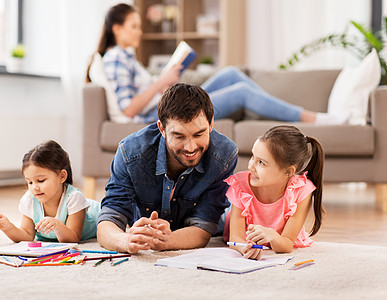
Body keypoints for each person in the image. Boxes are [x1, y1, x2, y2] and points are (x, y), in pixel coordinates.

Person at [86, 3, 349, 125]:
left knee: (231, 73)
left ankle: (283, 111)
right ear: (117, 29)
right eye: (134, 26)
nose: (139, 32)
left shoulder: (128, 57)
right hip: (159, 117)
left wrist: (166, 84)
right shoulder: (116, 58)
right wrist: (161, 83)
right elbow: (129, 110)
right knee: (241, 93)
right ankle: (316, 119)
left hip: (165, 104)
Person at [96, 83, 238, 253]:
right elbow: (108, 220)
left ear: (211, 124)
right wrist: (126, 240)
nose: (190, 147)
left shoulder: (224, 156)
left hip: (215, 221)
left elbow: (203, 228)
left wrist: (166, 241)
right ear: (162, 128)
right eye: (179, 136)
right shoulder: (130, 152)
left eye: (199, 134)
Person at [222, 125, 324, 260]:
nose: (250, 166)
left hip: (275, 237)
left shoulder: (301, 190)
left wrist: (272, 235)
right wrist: (244, 247)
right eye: (253, 156)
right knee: (215, 221)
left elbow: (286, 244)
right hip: (228, 216)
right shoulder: (240, 185)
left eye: (261, 163)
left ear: (288, 172)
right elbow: (235, 237)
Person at [0, 140, 100, 243]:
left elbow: (73, 238)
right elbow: (27, 236)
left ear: (62, 176)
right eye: (30, 182)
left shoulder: (74, 198)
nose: (34, 188)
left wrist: (57, 225)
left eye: (40, 180)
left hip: (97, 214)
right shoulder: (30, 199)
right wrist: (8, 227)